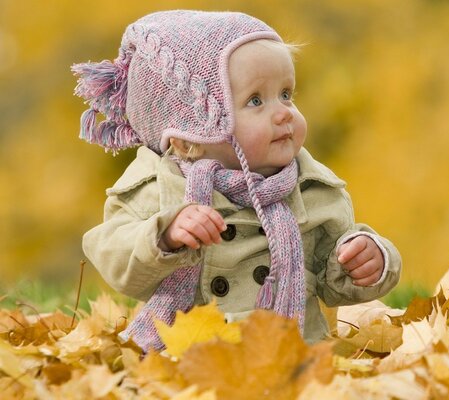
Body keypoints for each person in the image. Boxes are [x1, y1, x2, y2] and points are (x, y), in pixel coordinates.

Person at [73, 10, 401, 352]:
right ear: (189, 138)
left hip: (292, 354)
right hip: (189, 358)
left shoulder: (311, 187)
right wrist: (165, 236)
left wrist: (368, 261)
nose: (284, 112)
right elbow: (114, 254)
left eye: (287, 94)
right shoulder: (160, 187)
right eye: (256, 101)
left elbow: (334, 283)